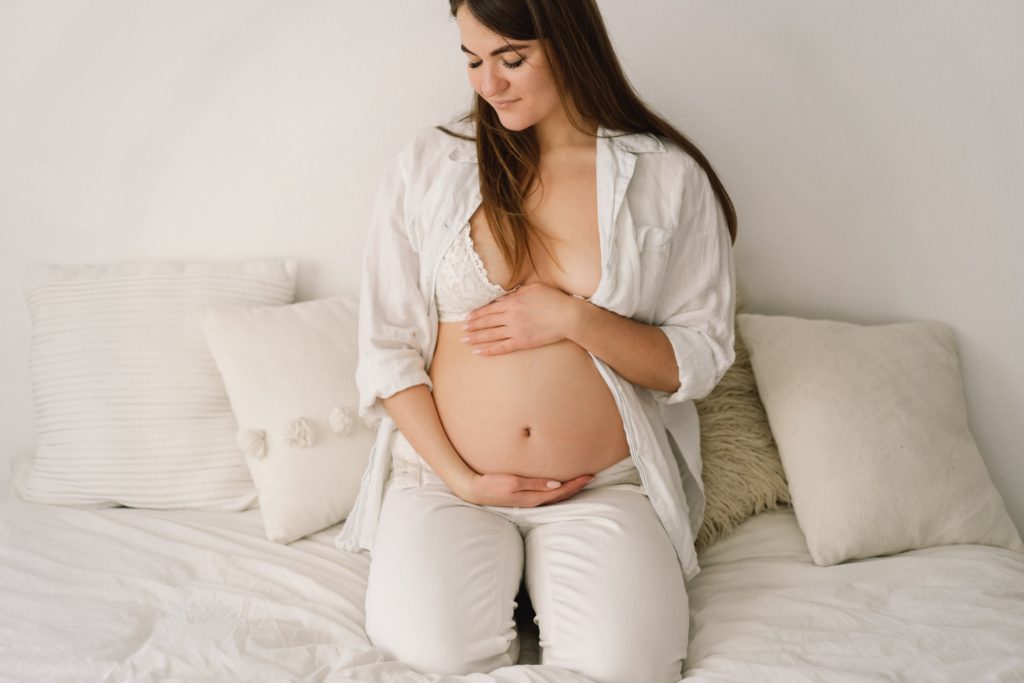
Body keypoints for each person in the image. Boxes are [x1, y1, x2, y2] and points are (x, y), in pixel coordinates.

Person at [333, 0, 737, 680]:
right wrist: (464, 479)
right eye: (472, 61)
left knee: (630, 667)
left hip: (600, 487)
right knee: (429, 660)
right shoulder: (431, 164)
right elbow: (387, 349)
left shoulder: (665, 177)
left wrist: (573, 318)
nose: (488, 85)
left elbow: (695, 360)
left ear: (570, 43)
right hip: (446, 483)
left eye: (511, 59)